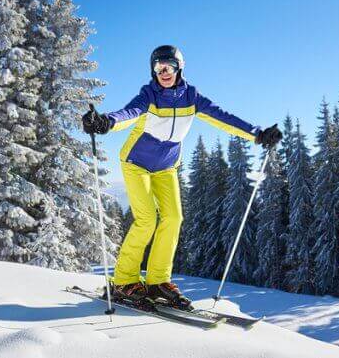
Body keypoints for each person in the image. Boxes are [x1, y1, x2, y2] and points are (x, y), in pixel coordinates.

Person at [82, 45, 282, 309]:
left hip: (166, 167)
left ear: (179, 68)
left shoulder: (192, 97)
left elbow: (222, 117)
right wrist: (106, 122)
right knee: (146, 221)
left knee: (174, 218)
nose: (164, 72)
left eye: (169, 67)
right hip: (136, 162)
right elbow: (128, 113)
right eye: (158, 68)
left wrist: (257, 134)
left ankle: (157, 281)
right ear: (153, 71)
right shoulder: (149, 95)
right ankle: (124, 281)